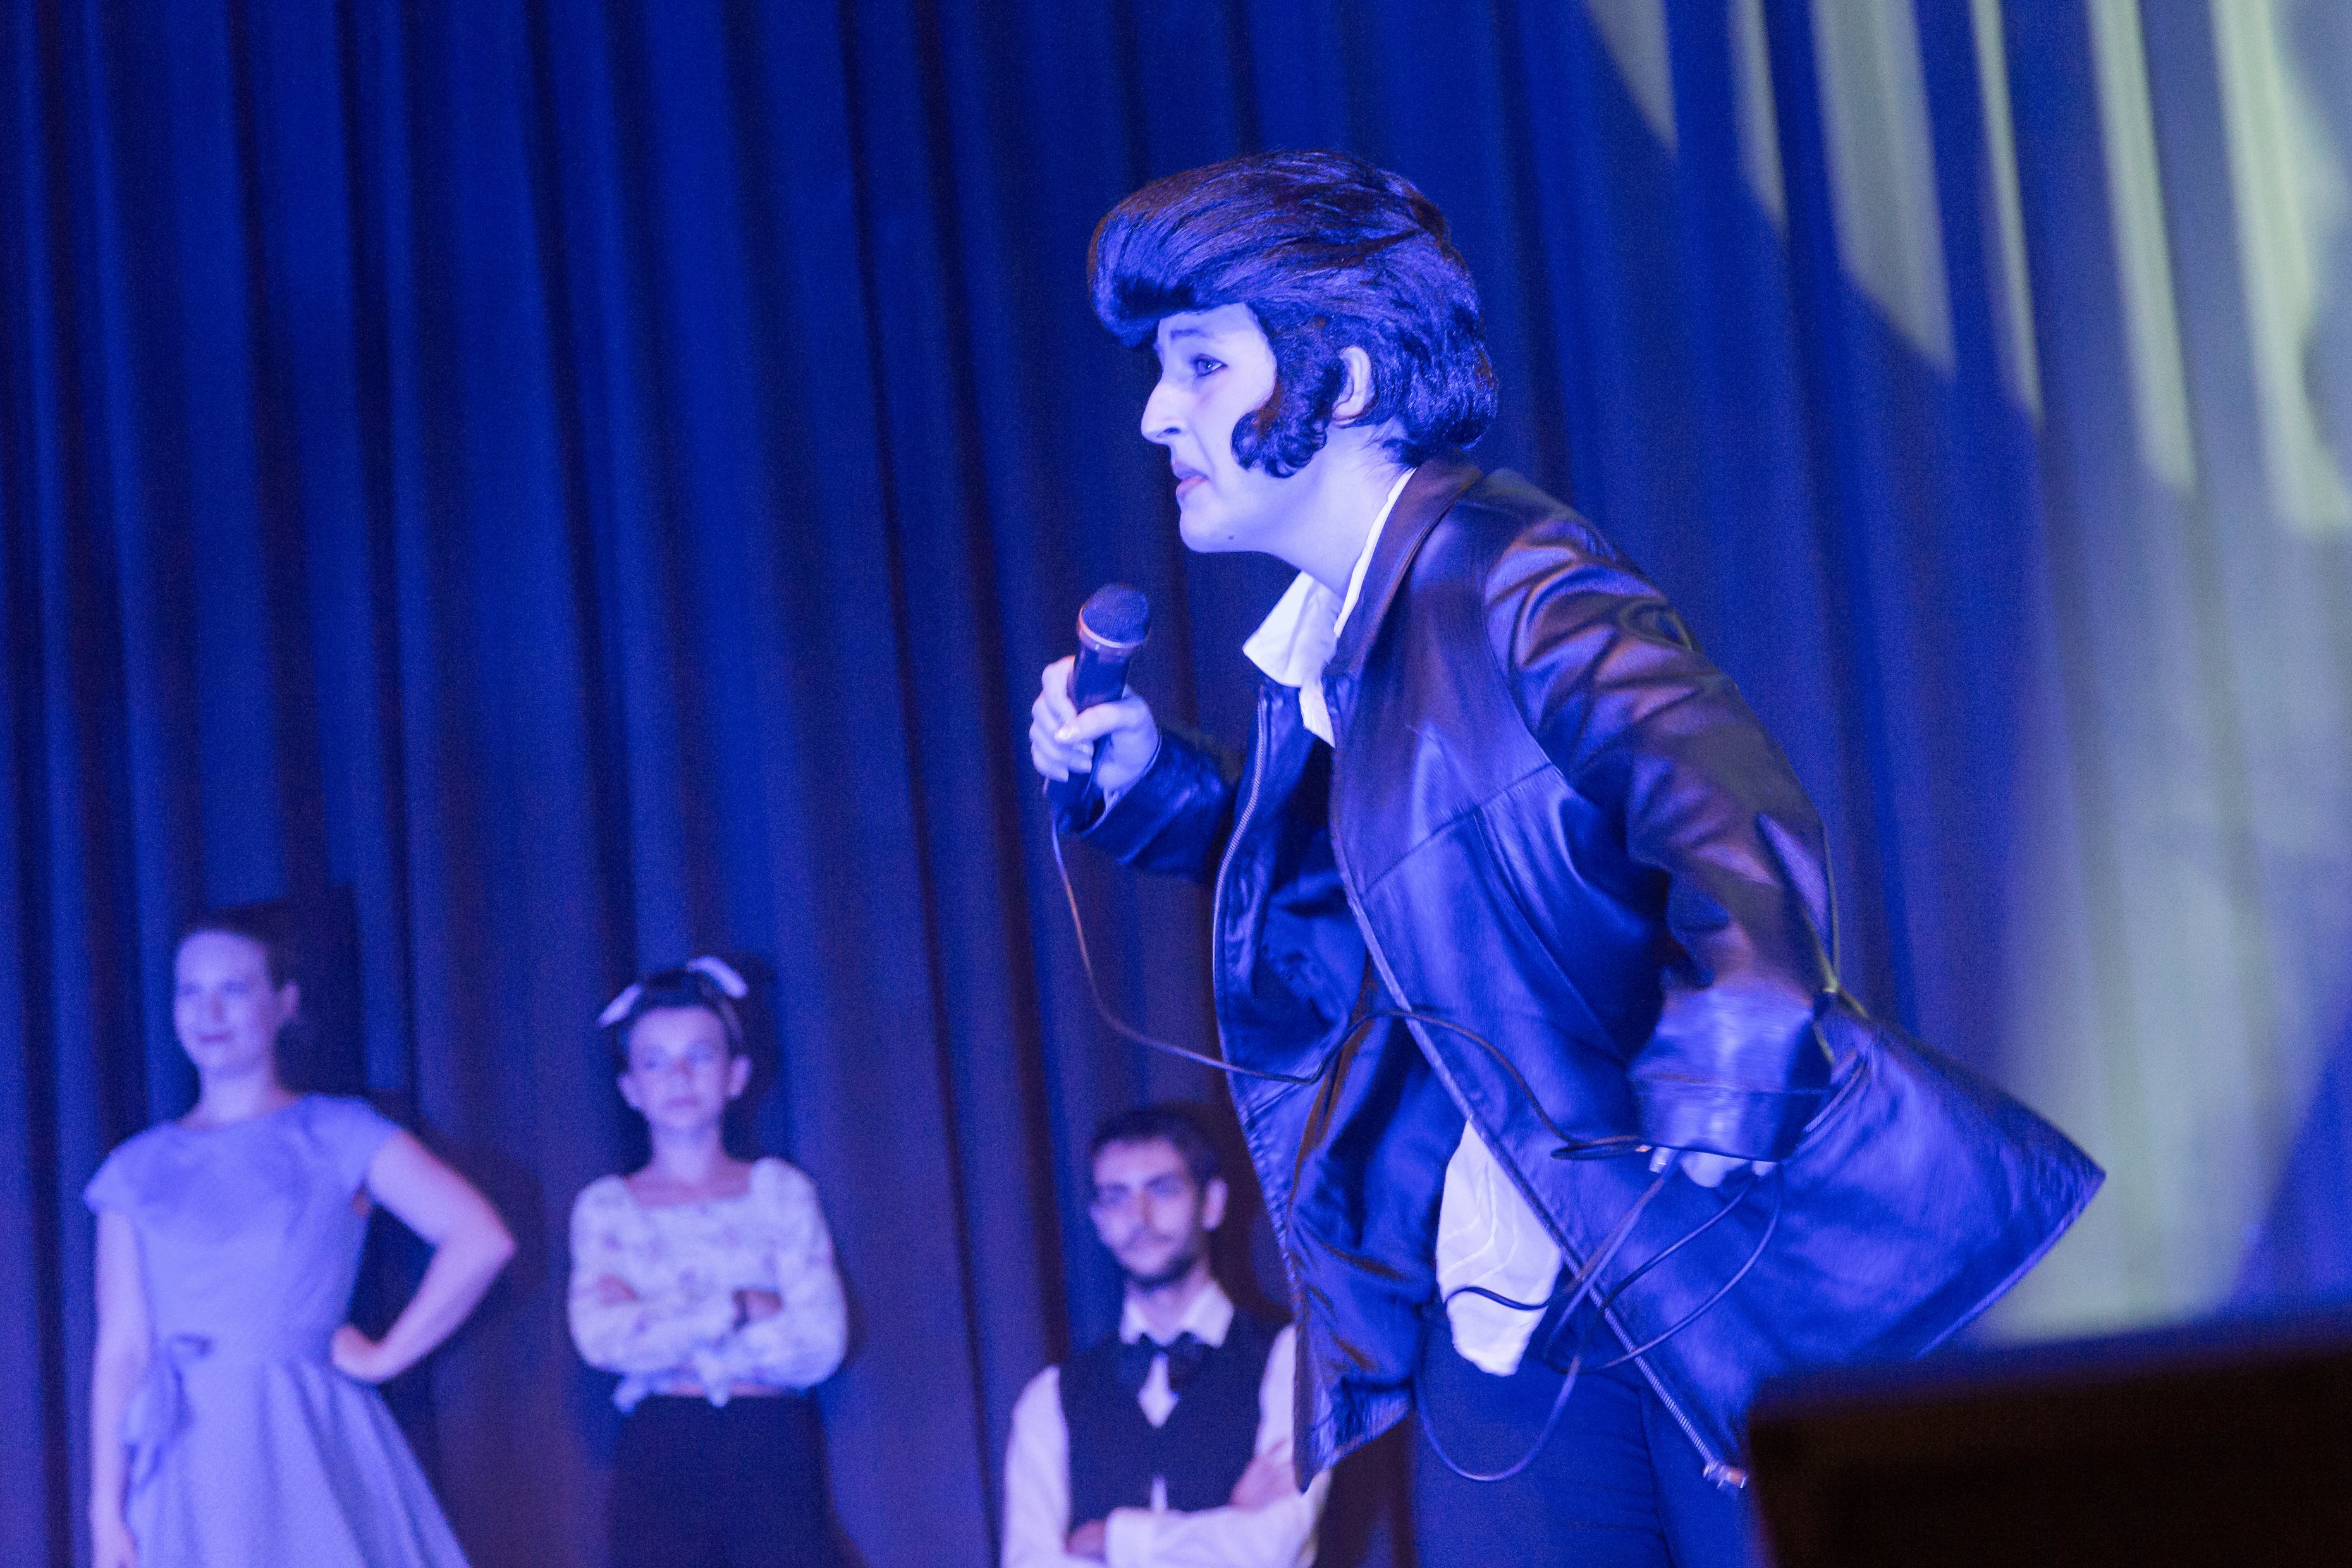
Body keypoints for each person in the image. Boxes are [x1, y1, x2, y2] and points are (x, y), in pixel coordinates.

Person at [1029, 150, 2101, 1565]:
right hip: (1510, 1301)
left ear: (1343, 382)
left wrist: (1708, 1126)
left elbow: (1730, 821)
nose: (1160, 414)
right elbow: (1385, 877)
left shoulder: (1507, 572)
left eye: (1203, 367)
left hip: (1681, 1265)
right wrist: (1153, 786)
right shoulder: (1344, 643)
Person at [85, 907, 516, 1568]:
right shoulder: (136, 1168)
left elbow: (479, 1238)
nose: (209, 1012)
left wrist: (386, 1356)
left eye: (233, 988)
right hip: (183, 1457)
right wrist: (105, 1511)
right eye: (190, 991)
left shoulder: (336, 1132)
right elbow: (123, 1349)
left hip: (306, 1437)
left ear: (284, 1002)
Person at [568, 957, 848, 1568]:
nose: (679, 1077)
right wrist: (741, 1306)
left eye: (700, 1056)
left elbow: (821, 1342)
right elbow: (601, 1340)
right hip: (661, 1449)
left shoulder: (780, 1191)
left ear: (736, 1075)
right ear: (630, 1088)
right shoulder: (606, 1207)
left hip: (768, 1441)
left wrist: (657, 1319)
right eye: (654, 1062)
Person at [1003, 1104, 1326, 1568]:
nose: (1139, 1216)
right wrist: (1231, 1521)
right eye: (1116, 1197)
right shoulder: (1050, 1397)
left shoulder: (1292, 1362)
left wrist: (1112, 1540)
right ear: (1098, 1220)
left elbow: (1274, 1547)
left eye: (1162, 1189)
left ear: (1212, 1203)